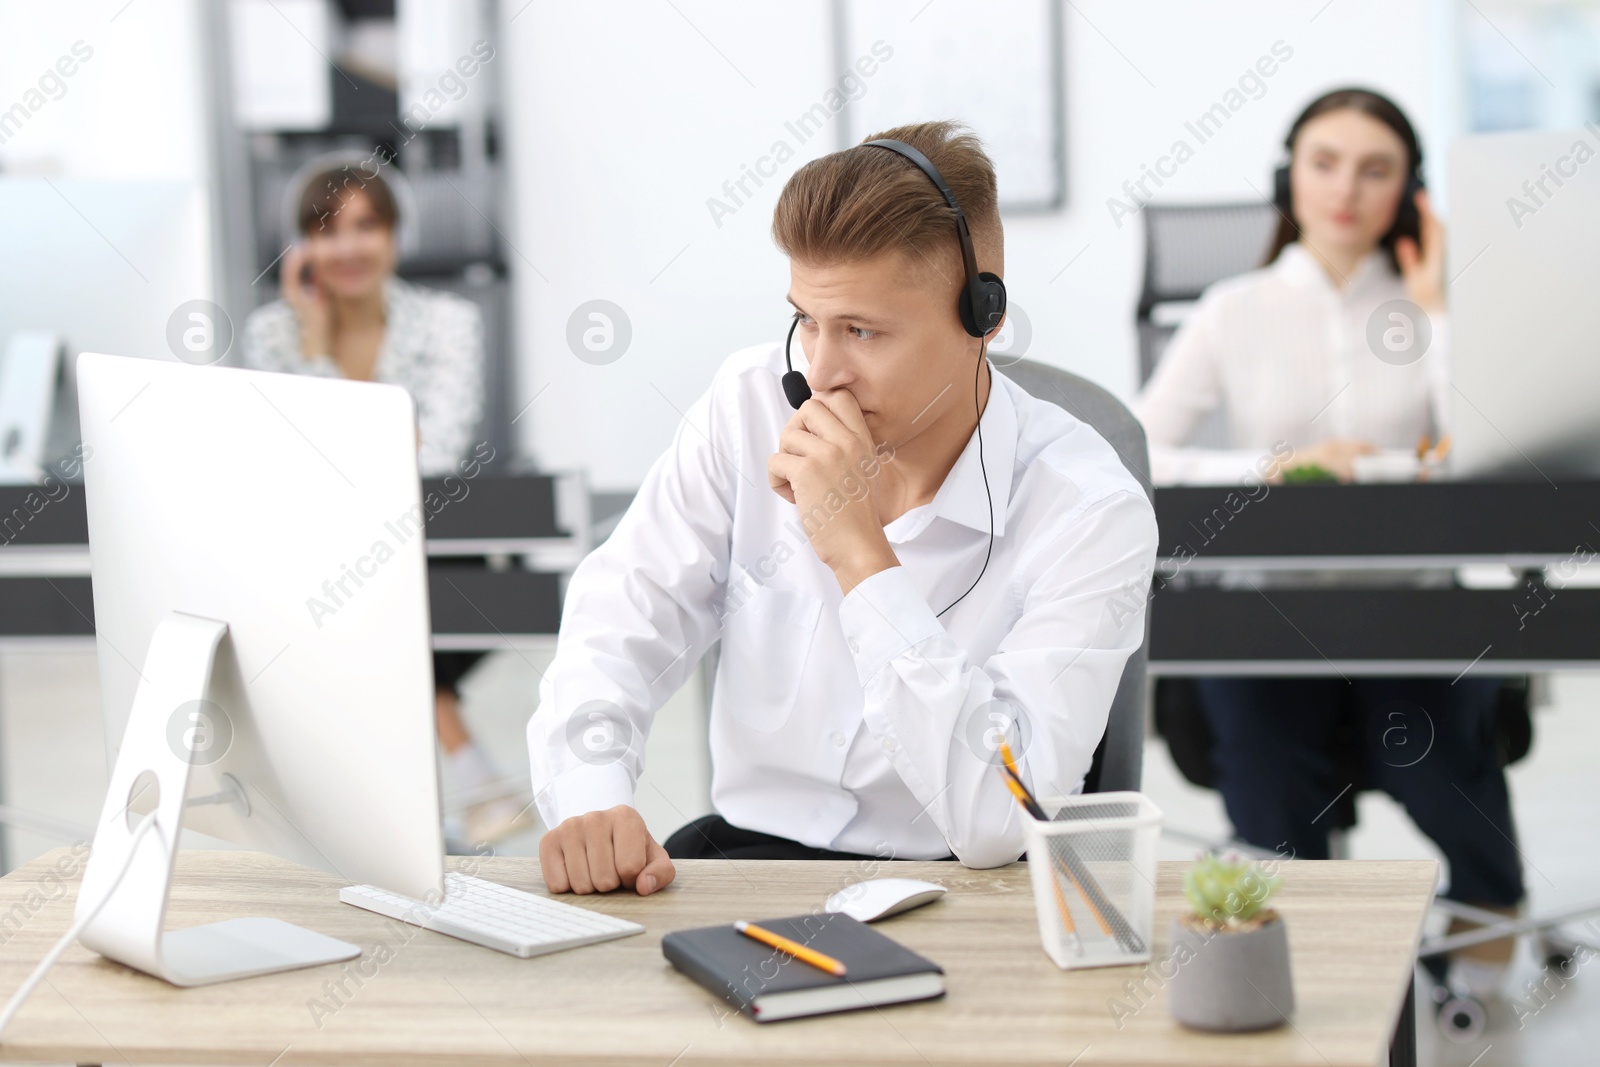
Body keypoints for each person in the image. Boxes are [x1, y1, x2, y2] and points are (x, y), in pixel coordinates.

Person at [527, 120, 1158, 897]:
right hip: (754, 857)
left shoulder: (1089, 508)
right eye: (806, 320)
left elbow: (1003, 815)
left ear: (981, 315)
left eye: (861, 330)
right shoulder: (746, 403)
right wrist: (591, 798)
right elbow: (622, 615)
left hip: (972, 886)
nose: (821, 373)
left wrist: (860, 555)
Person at [1133, 88, 1524, 995]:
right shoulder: (1234, 309)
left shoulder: (1437, 309)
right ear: (1290, 177)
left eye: (1376, 168)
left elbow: (1488, 451)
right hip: (1272, 613)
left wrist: (1439, 309)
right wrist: (1279, 463)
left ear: (1409, 193)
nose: (1346, 187)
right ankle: (1299, 967)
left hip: (1411, 611)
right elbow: (1140, 450)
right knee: (1271, 792)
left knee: (1442, 777)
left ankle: (1492, 911)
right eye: (1324, 161)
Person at [241, 158, 529, 844]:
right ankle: (472, 780)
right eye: (326, 229)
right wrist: (314, 347)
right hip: (325, 554)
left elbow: (440, 454)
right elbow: (296, 469)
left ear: (396, 235)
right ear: (302, 247)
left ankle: (405, 801)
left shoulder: (449, 322)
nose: (347, 247)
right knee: (357, 588)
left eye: (365, 226)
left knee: (371, 591)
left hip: (433, 546)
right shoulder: (274, 335)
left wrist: (347, 458)